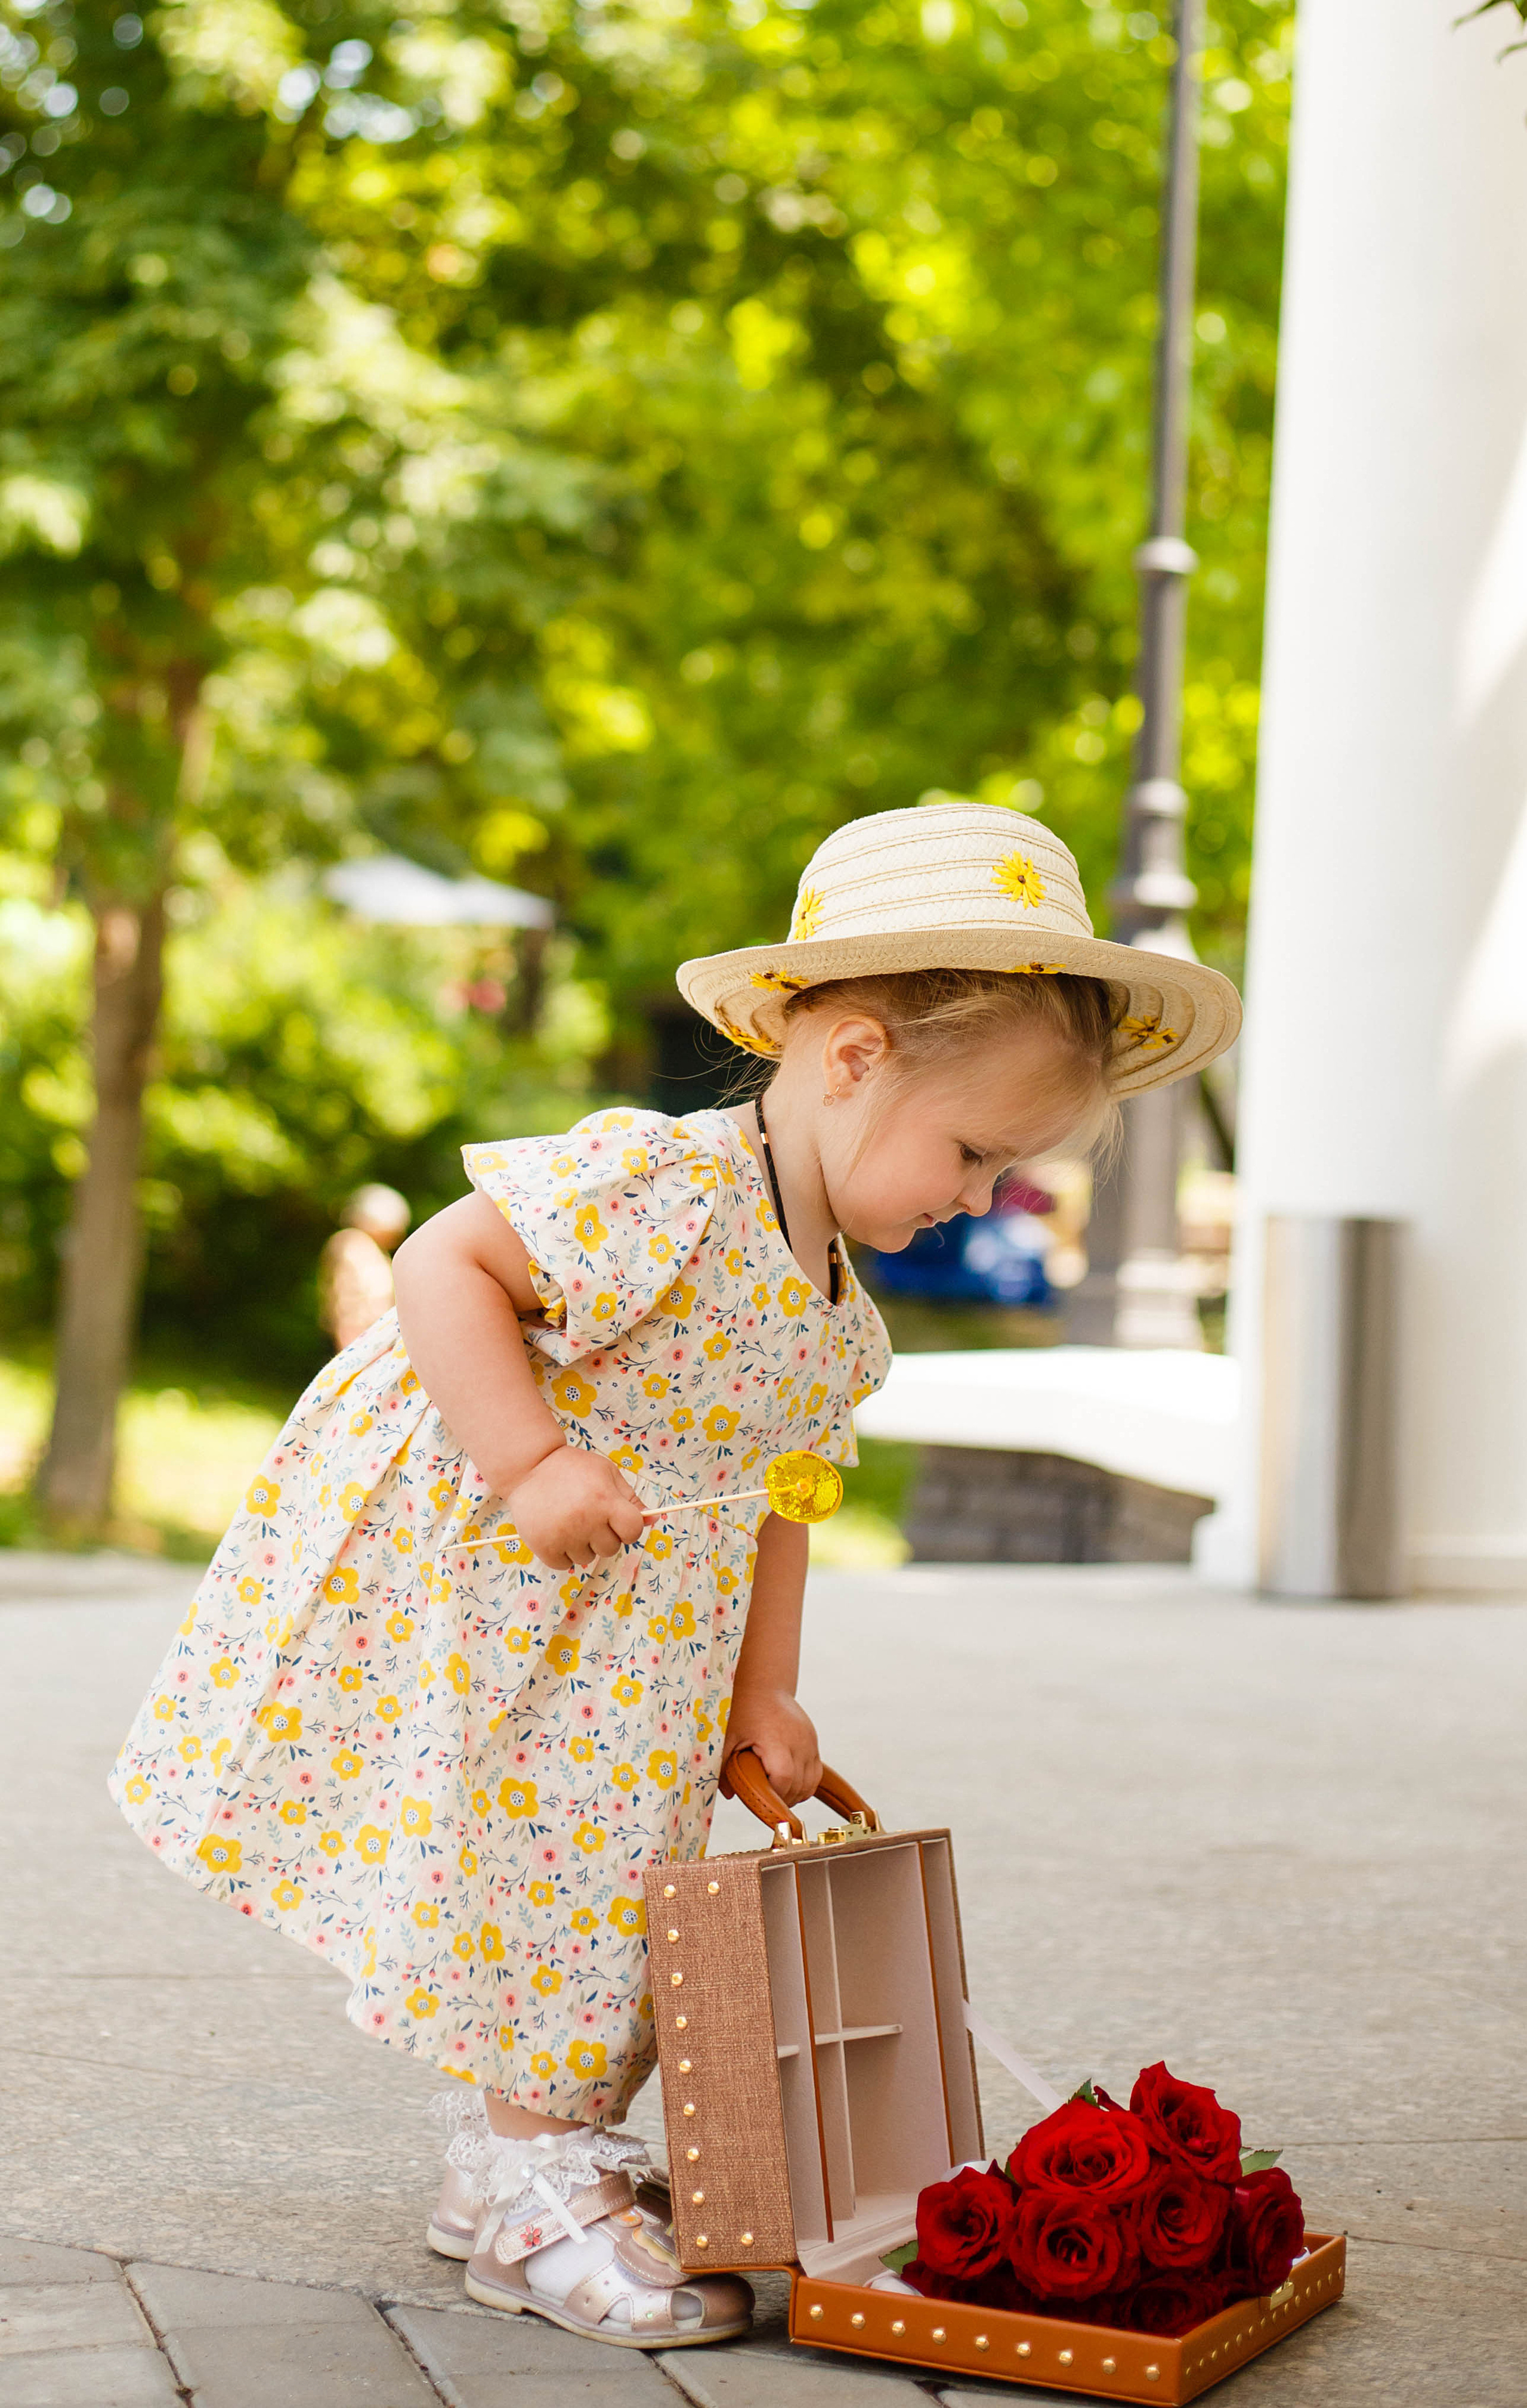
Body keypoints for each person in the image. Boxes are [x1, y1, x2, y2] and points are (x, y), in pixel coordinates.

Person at [109, 801, 1238, 2350]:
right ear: (849, 1056)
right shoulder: (662, 1184)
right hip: (493, 1554)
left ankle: (525, 2150)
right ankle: (525, 2167)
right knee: (562, 1871)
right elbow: (448, 1263)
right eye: (974, 1151)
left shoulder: (838, 1311)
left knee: (627, 1877)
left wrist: (765, 1684)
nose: (980, 1193)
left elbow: (785, 1494)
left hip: (644, 1628)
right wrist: (529, 1458)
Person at [317, 1185, 412, 1352]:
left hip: (371, 1340)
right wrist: (349, 1346)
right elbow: (346, 1299)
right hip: (357, 1340)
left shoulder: (374, 1250)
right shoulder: (352, 1244)